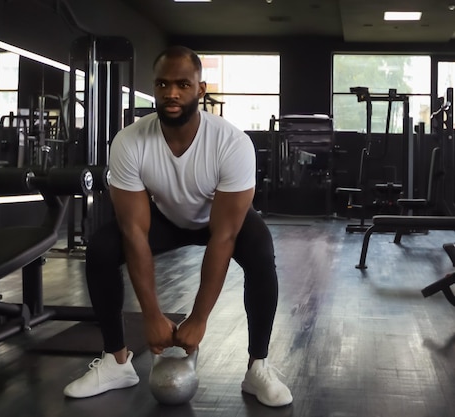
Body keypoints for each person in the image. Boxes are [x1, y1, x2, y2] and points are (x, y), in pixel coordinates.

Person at [63, 45, 292, 407]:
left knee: (261, 249)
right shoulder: (129, 142)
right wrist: (152, 316)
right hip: (165, 216)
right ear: (154, 87)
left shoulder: (232, 143)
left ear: (200, 90)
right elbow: (134, 230)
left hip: (218, 218)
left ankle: (257, 367)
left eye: (183, 84)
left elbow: (225, 235)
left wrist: (199, 319)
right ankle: (116, 361)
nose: (171, 93)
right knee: (103, 248)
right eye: (163, 84)